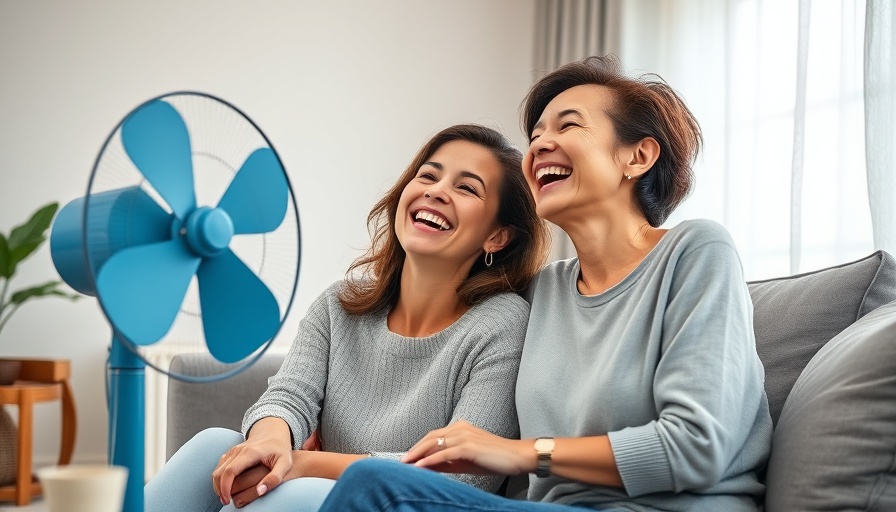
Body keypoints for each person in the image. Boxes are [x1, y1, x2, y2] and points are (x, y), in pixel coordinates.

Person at [318, 55, 773, 512]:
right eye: (536, 136)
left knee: (378, 486)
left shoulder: (696, 251)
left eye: (567, 127)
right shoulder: (542, 293)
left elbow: (698, 446)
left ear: (638, 156)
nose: (538, 148)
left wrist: (520, 453)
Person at [144, 123, 551, 511]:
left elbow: (460, 473)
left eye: (466, 188)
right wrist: (270, 440)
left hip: (413, 506)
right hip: (317, 492)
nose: (438, 192)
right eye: (428, 176)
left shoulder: (502, 323)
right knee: (212, 446)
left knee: (286, 495)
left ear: (497, 236)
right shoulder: (339, 304)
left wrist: (303, 466)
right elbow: (289, 396)